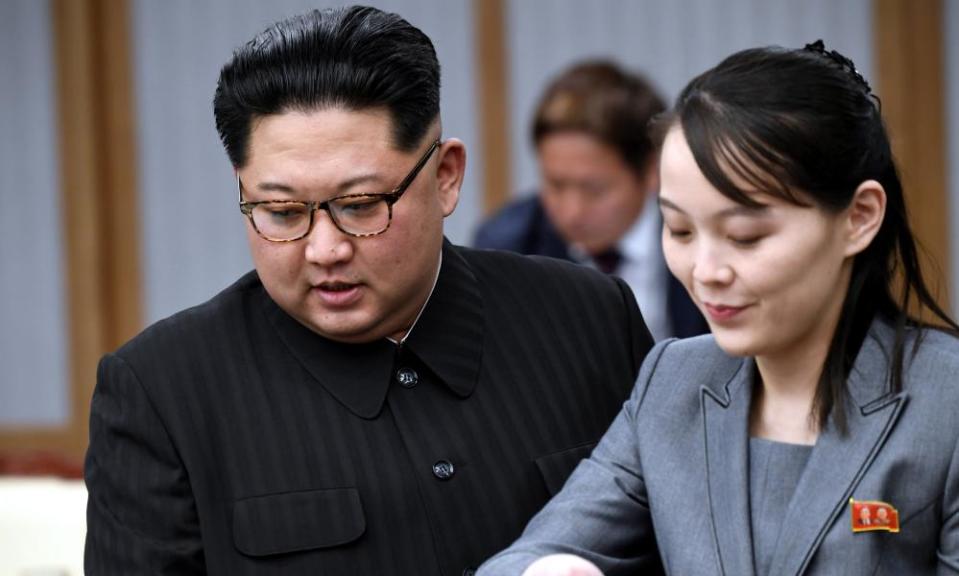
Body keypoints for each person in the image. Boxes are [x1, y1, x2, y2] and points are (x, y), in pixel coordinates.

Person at [83, 6, 654, 575]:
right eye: (282, 212)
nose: (324, 249)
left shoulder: (591, 321)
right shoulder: (162, 392)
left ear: (445, 177)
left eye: (360, 206)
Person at [479, 40, 959, 575]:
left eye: (745, 236)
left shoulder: (946, 404)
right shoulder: (674, 382)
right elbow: (532, 552)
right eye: (679, 229)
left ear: (859, 217)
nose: (706, 270)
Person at [473, 61, 707, 341]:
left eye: (594, 189)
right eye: (556, 185)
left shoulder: (704, 235)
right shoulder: (508, 249)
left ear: (651, 171)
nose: (572, 212)